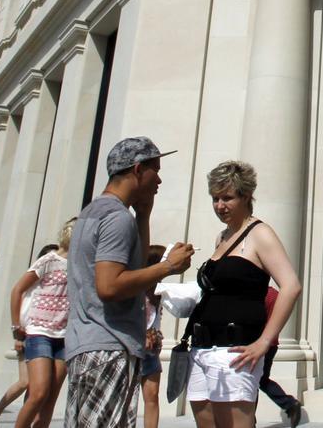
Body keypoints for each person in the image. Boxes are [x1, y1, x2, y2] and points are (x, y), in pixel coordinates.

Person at [65, 136, 193, 428]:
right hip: (108, 346)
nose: (159, 180)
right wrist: (167, 267)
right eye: (155, 170)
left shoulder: (93, 212)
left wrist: (144, 216)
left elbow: (129, 269)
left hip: (89, 342)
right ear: (137, 170)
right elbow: (110, 286)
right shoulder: (116, 217)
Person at [187, 160, 302, 428]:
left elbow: (291, 286)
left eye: (227, 198)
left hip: (234, 350)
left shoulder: (260, 233)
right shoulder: (222, 237)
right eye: (215, 198)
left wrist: (264, 341)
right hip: (202, 347)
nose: (219, 205)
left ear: (246, 196)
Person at [8, 223, 75, 428]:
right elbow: (18, 290)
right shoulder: (49, 260)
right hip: (39, 331)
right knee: (38, 393)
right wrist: (16, 326)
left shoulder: (80, 264)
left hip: (64, 335)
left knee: (51, 399)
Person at [0, 244, 59, 426]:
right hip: (29, 335)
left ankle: (1, 414)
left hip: (45, 335)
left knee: (36, 387)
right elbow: (22, 309)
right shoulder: (32, 286)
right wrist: (17, 337)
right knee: (27, 382)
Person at [260, 286, 302, 427]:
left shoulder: (260, 294)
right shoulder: (276, 294)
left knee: (254, 381)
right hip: (271, 343)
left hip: (259, 343)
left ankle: (289, 403)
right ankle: (289, 404)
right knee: (260, 380)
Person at [141, 245, 166, 428]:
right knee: (126, 396)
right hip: (133, 348)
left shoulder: (158, 292)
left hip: (151, 349)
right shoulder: (137, 290)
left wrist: (156, 334)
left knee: (152, 395)